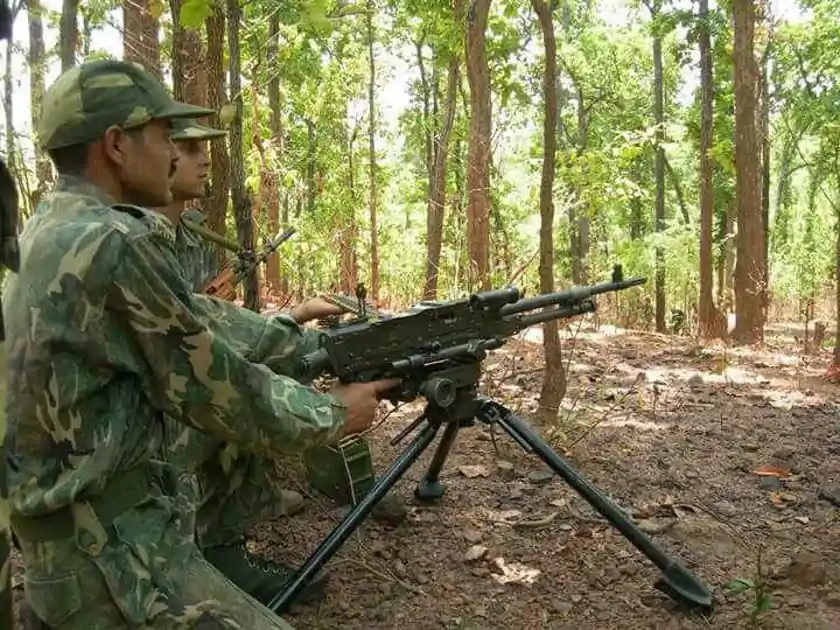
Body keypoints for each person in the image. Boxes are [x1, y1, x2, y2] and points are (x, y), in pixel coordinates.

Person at [4, 58, 397, 630]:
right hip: (108, 557)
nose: (173, 151)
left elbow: (200, 328)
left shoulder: (48, 228)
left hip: (60, 545)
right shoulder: (113, 241)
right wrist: (336, 412)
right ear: (116, 144)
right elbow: (219, 390)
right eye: (164, 136)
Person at [159, 118, 407, 604]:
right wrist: (328, 407)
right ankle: (218, 550)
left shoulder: (183, 234)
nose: (204, 157)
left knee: (285, 367)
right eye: (187, 148)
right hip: (143, 425)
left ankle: (235, 529)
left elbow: (212, 320)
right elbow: (198, 341)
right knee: (248, 392)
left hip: (173, 386)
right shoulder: (129, 242)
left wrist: (298, 321)